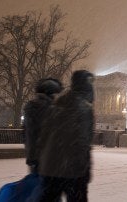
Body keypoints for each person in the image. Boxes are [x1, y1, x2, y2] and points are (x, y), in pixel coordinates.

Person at [37, 70, 95, 202]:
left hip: (50, 167)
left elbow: (43, 136)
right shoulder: (84, 108)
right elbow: (83, 142)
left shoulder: (57, 103)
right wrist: (85, 170)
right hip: (73, 170)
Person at [23, 78, 63, 174]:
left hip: (34, 157)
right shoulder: (52, 109)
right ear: (51, 93)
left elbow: (27, 135)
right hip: (49, 159)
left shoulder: (31, 107)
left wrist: (31, 156)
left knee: (36, 184)